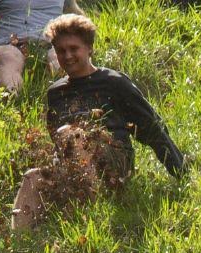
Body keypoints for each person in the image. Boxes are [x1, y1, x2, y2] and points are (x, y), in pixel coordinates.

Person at [11, 14, 186, 230]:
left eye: (74, 49)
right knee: (33, 177)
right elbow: (55, 139)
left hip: (113, 166)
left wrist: (181, 172)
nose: (67, 55)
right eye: (61, 50)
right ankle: (20, 239)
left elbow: (152, 127)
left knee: (71, 135)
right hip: (70, 170)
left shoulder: (113, 82)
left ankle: (93, 218)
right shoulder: (56, 93)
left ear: (89, 49)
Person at [0, 0, 84, 95]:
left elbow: (77, 17)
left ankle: (68, 104)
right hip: (7, 44)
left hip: (50, 43)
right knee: (9, 57)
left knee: (58, 58)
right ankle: (10, 105)